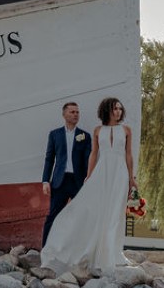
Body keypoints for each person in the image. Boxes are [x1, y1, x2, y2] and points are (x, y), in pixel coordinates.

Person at [41, 96, 136, 276]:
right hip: (101, 172)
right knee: (98, 210)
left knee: (115, 211)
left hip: (120, 173)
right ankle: (79, 248)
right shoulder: (97, 130)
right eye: (115, 108)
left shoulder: (126, 130)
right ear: (107, 110)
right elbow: (93, 155)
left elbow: (129, 155)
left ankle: (112, 253)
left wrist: (132, 178)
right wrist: (89, 176)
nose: (118, 112)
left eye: (120, 109)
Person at [41, 102, 92, 247]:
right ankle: (45, 249)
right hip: (59, 181)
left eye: (77, 112)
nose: (76, 114)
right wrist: (45, 181)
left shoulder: (85, 136)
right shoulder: (54, 134)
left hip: (78, 182)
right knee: (53, 216)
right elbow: (49, 159)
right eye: (72, 112)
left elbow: (88, 160)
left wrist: (88, 180)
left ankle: (79, 249)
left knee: (81, 216)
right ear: (64, 115)